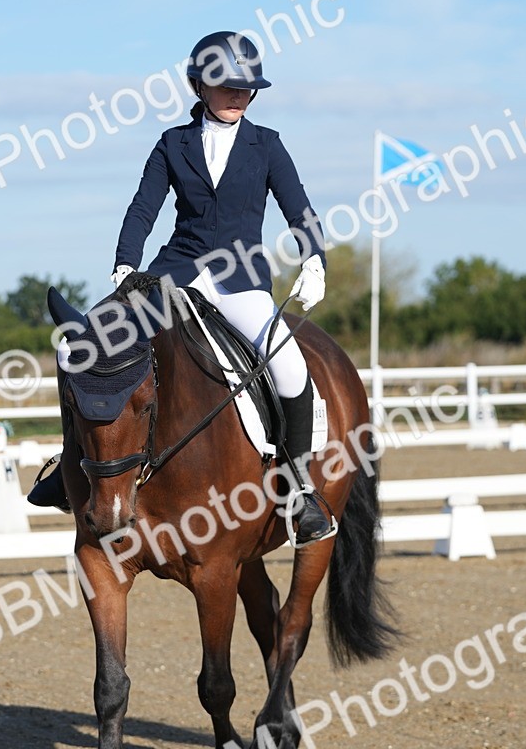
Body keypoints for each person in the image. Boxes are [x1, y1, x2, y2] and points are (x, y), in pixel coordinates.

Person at [29, 31, 334, 545]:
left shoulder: (267, 144)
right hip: (176, 275)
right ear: (200, 85)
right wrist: (126, 264)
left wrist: (315, 260)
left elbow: (297, 205)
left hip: (241, 281)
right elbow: (144, 205)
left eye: (246, 88)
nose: (238, 95)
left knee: (289, 366)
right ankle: (69, 470)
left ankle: (299, 491)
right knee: (87, 351)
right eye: (226, 85)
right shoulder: (174, 143)